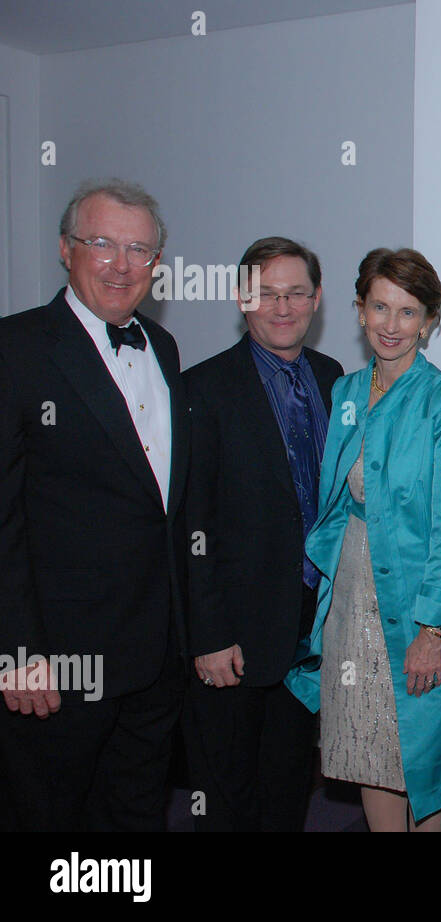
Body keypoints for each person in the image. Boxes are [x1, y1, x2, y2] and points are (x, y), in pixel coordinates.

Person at [0, 179, 189, 830]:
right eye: (102, 243)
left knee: (135, 817)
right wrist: (19, 653)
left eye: (140, 250)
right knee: (48, 818)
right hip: (58, 661)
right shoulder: (16, 349)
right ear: (65, 249)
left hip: (154, 656)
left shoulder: (162, 348)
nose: (122, 264)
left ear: (157, 266)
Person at [285, 247, 441, 832]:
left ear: (429, 319)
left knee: (420, 753)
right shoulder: (342, 392)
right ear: (360, 311)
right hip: (349, 593)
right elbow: (333, 504)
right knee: (370, 750)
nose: (392, 326)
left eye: (409, 312)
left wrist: (432, 628)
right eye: (380, 308)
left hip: (418, 602)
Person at [182, 236, 343, 831]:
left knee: (286, 791)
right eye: (265, 293)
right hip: (234, 637)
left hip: (311, 629)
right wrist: (210, 634)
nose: (282, 307)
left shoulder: (334, 380)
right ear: (241, 299)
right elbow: (192, 526)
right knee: (226, 798)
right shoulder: (202, 390)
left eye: (296, 293)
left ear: (317, 299)